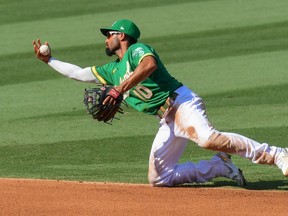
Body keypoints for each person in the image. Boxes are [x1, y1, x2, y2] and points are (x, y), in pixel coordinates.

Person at [33, 19, 288, 187]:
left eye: (108, 34)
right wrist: (50, 60)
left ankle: (277, 154)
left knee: (208, 139)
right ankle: (217, 167)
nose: (105, 39)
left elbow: (149, 65)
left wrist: (120, 89)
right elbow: (78, 73)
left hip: (182, 103)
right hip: (166, 118)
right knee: (159, 179)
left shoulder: (136, 50)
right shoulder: (112, 69)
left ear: (122, 36)